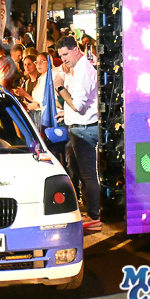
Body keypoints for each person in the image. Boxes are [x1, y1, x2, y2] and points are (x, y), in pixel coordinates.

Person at [53, 36, 100, 231]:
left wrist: (59, 87)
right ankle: (91, 212)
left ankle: (94, 215)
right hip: (79, 128)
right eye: (61, 56)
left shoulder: (83, 71)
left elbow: (77, 106)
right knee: (80, 172)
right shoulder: (79, 69)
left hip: (84, 130)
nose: (63, 59)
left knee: (88, 174)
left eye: (65, 54)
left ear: (76, 50)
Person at [13, 55, 43, 128]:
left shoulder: (40, 80)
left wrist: (25, 94)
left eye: (29, 64)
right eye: (25, 65)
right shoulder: (27, 82)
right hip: (29, 112)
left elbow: (37, 101)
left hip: (38, 114)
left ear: (35, 64)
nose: (26, 67)